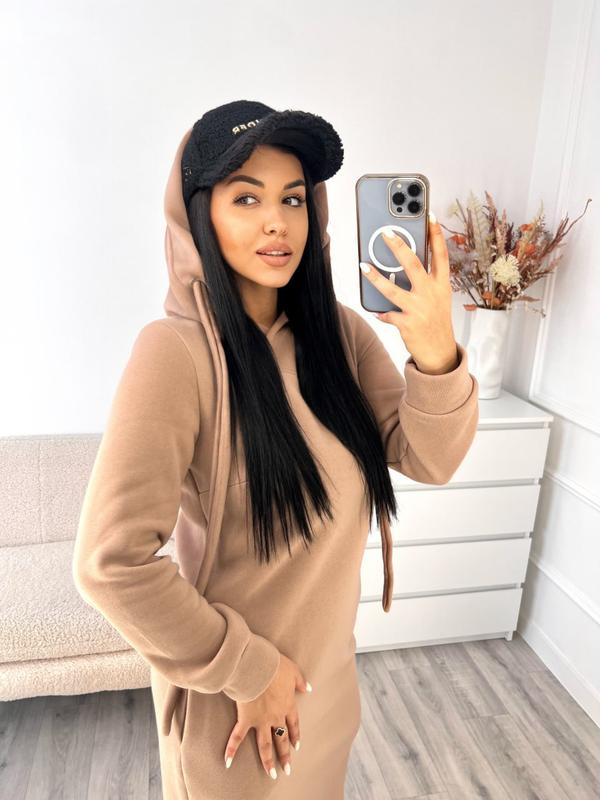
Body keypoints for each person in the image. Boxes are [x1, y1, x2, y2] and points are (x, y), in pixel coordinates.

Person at [72, 99, 479, 799]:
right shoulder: (174, 354)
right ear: (198, 215)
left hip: (328, 691)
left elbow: (431, 458)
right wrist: (250, 671)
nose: (277, 222)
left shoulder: (340, 336)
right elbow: (109, 565)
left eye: (292, 198)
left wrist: (435, 350)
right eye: (246, 197)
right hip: (239, 715)